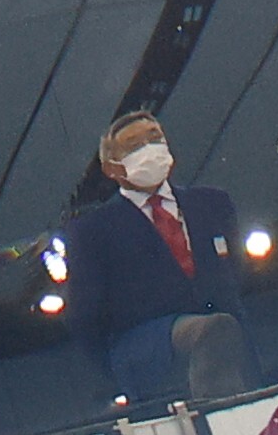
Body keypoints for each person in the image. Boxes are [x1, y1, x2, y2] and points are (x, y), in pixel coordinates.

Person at [52, 114, 248, 414]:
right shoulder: (93, 230)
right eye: (134, 145)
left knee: (221, 328)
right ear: (111, 168)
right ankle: (219, 419)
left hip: (225, 336)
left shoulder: (213, 203)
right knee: (214, 328)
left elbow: (238, 273)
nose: (149, 149)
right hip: (145, 343)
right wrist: (122, 370)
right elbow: (83, 314)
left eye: (154, 139)